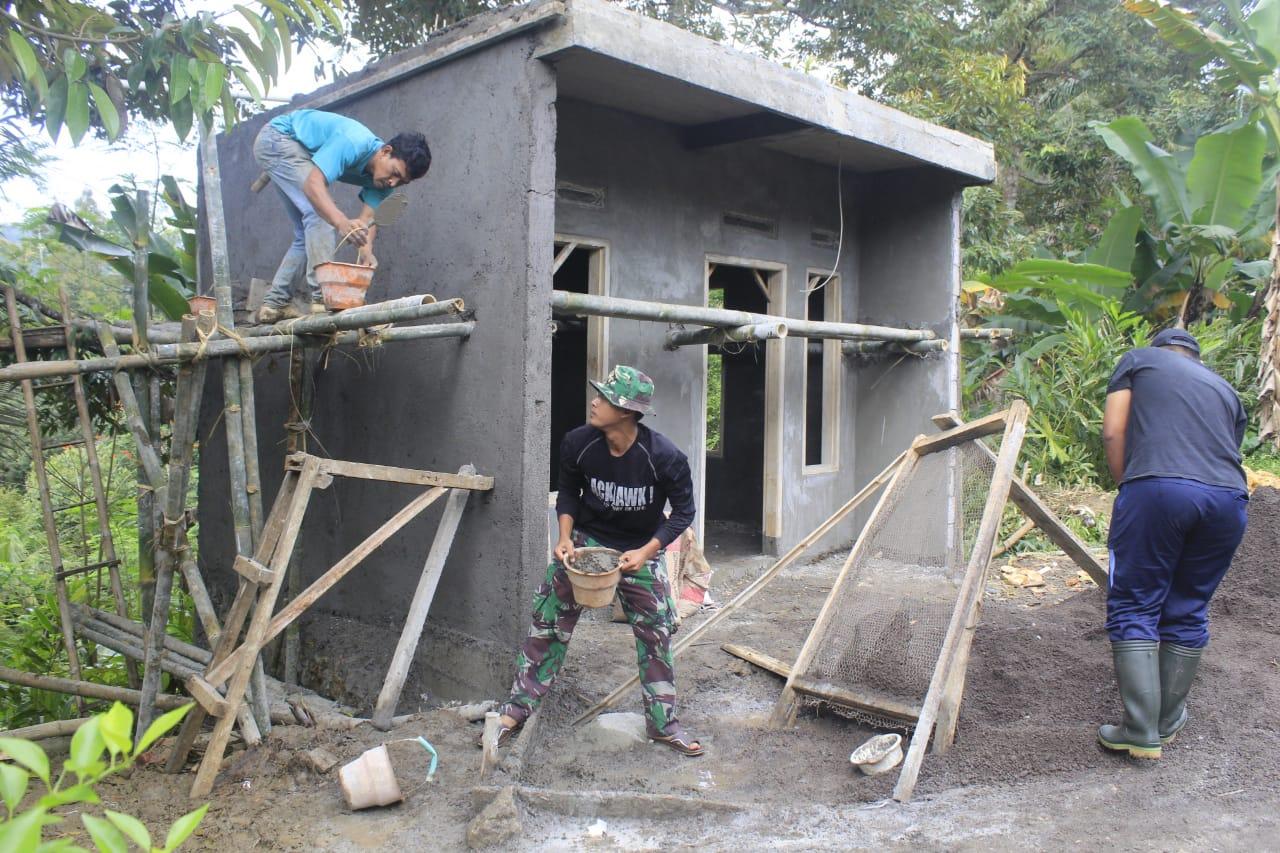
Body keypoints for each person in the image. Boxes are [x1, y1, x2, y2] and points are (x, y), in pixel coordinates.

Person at [491, 365, 704, 756]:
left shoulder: (665, 457)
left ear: (625, 411)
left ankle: (663, 724)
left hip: (639, 549)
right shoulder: (578, 443)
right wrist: (564, 538)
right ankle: (516, 710)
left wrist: (647, 552)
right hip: (586, 545)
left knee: (656, 634)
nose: (594, 402)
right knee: (548, 620)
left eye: (604, 398)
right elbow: (568, 493)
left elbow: (684, 513)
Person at [1097, 327, 1249, 759]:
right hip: (1229, 501)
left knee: (1135, 604)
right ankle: (1166, 721)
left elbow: (1113, 431)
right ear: (1195, 358)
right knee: (1188, 606)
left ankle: (1139, 729)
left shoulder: (1139, 360)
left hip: (1158, 489)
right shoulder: (1225, 390)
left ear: (1160, 349)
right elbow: (1223, 452)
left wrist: (1128, 485)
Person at [253, 109, 431, 322]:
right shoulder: (354, 142)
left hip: (296, 151)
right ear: (385, 151)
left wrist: (366, 252)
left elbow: (367, 221)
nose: (394, 182)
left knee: (306, 232)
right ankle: (324, 299)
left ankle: (274, 304)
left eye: (402, 182)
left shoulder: (385, 182)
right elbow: (313, 185)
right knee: (319, 215)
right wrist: (341, 222)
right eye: (395, 173)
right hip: (278, 139)